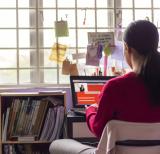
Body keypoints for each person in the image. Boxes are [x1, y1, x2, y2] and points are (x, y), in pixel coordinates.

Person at [49, 20, 160, 154]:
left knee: (57, 144)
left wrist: (90, 110)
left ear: (127, 47)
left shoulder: (115, 87)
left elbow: (99, 129)